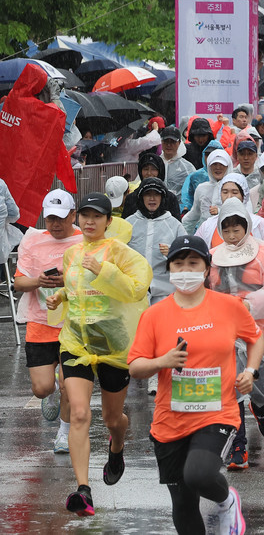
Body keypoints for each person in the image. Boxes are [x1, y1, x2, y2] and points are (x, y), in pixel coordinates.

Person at [127, 235, 261, 535]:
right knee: (184, 504)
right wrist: (162, 361)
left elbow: (255, 337)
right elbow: (135, 366)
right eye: (178, 263)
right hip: (170, 420)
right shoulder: (154, 315)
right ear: (169, 269)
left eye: (193, 262)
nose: (185, 269)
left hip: (217, 412)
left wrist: (250, 371)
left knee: (198, 474)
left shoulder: (229, 306)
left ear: (206, 268)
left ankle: (226, 501)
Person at [46, 193, 153, 517]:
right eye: (85, 215)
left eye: (97, 216)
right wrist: (60, 296)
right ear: (78, 218)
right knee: (79, 413)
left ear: (109, 220)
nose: (90, 221)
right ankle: (84, 490)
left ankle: (117, 445)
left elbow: (137, 288)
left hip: (113, 344)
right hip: (76, 343)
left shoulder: (121, 252)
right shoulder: (72, 253)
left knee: (111, 419)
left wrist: (104, 269)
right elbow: (77, 287)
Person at [207, 199, 264, 470]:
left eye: (236, 229)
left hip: (259, 331)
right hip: (225, 333)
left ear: (247, 226)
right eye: (226, 230)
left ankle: (261, 409)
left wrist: (249, 305)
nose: (231, 235)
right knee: (232, 388)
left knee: (260, 389)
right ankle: (238, 447)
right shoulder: (212, 256)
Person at [14, 189, 82, 453]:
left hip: (75, 324)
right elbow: (19, 283)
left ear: (73, 215)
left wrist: (69, 280)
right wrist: (38, 281)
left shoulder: (85, 241)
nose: (55, 224)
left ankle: (64, 434)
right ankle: (50, 387)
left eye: (61, 218)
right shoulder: (32, 241)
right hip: (40, 323)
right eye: (51, 218)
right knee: (41, 389)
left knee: (69, 384)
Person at [125, 177, 187, 394]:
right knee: (136, 330)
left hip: (164, 287)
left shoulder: (174, 225)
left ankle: (156, 376)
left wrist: (173, 253)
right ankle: (136, 368)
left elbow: (187, 258)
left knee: (161, 332)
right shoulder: (129, 223)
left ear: (163, 198)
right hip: (135, 288)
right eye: (147, 194)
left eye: (156, 195)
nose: (152, 199)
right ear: (140, 198)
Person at [195, 173, 264, 250]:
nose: (229, 196)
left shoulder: (260, 224)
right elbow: (197, 251)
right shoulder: (208, 226)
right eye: (225, 192)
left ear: (244, 196)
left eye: (235, 192)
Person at [159, 126, 197, 197]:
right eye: (166, 141)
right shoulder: (154, 163)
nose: (169, 145)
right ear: (161, 142)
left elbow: (194, 190)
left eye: (172, 142)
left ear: (179, 143)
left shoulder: (187, 168)